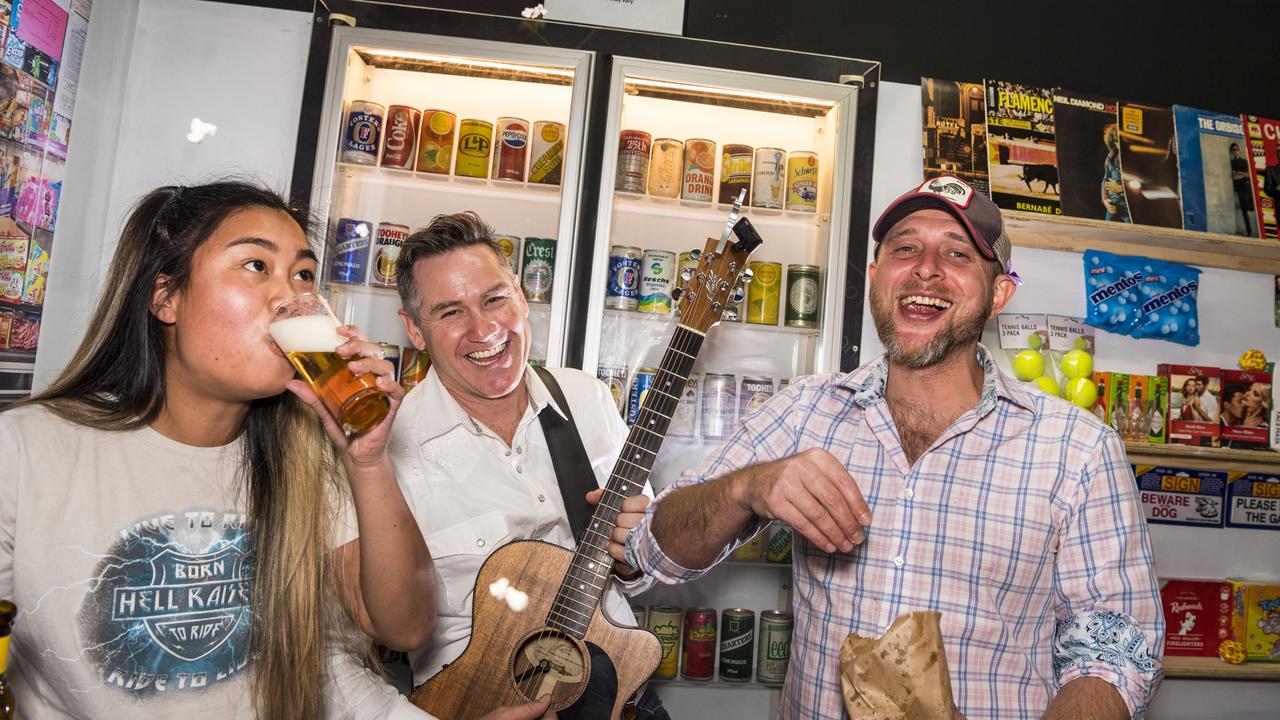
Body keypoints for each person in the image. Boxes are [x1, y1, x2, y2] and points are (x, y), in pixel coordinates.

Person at [0, 181, 550, 720]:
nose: (292, 296)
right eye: (256, 266)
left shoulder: (306, 459)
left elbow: (394, 635)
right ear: (166, 296)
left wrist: (369, 461)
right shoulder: (25, 451)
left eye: (304, 274)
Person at [624, 176, 1164, 720]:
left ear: (998, 294)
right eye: (905, 247)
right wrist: (746, 487)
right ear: (877, 276)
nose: (926, 266)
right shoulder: (805, 409)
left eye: (957, 253)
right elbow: (653, 552)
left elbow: (1116, 654)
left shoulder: (1077, 449)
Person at [389, 211, 667, 718]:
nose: (484, 328)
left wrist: (634, 553)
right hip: (473, 705)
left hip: (617, 693)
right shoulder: (386, 448)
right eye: (450, 313)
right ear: (414, 330)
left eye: (495, 299)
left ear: (521, 295)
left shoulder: (587, 399)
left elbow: (637, 570)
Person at [1101, 123, 1130, 222]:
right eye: (1117, 142)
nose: (1120, 145)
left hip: (1129, 210)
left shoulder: (1134, 159)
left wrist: (1121, 189)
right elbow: (1105, 180)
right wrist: (1105, 200)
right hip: (1112, 207)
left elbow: (1145, 186)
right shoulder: (1111, 157)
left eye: (1122, 141)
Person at [1230, 143, 1255, 236]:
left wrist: (1239, 173)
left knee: (1250, 207)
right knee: (1244, 210)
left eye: (1236, 149)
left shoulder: (1244, 161)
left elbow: (1248, 175)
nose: (1235, 151)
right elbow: (1234, 177)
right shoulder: (1232, 162)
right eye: (1233, 150)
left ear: (1239, 150)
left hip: (1246, 186)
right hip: (1240, 188)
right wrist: (1242, 175)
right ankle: (1249, 231)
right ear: (1232, 151)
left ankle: (1251, 231)